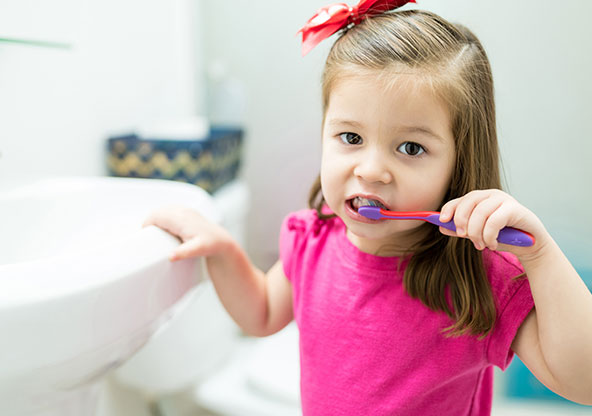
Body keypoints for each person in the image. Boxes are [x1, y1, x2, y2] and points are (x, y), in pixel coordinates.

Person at [143, 0, 592, 414]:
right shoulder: (311, 241)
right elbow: (261, 311)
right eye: (351, 138)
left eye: (411, 148)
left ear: (459, 165)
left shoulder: (480, 277)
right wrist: (222, 250)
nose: (372, 170)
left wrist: (542, 255)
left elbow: (583, 382)